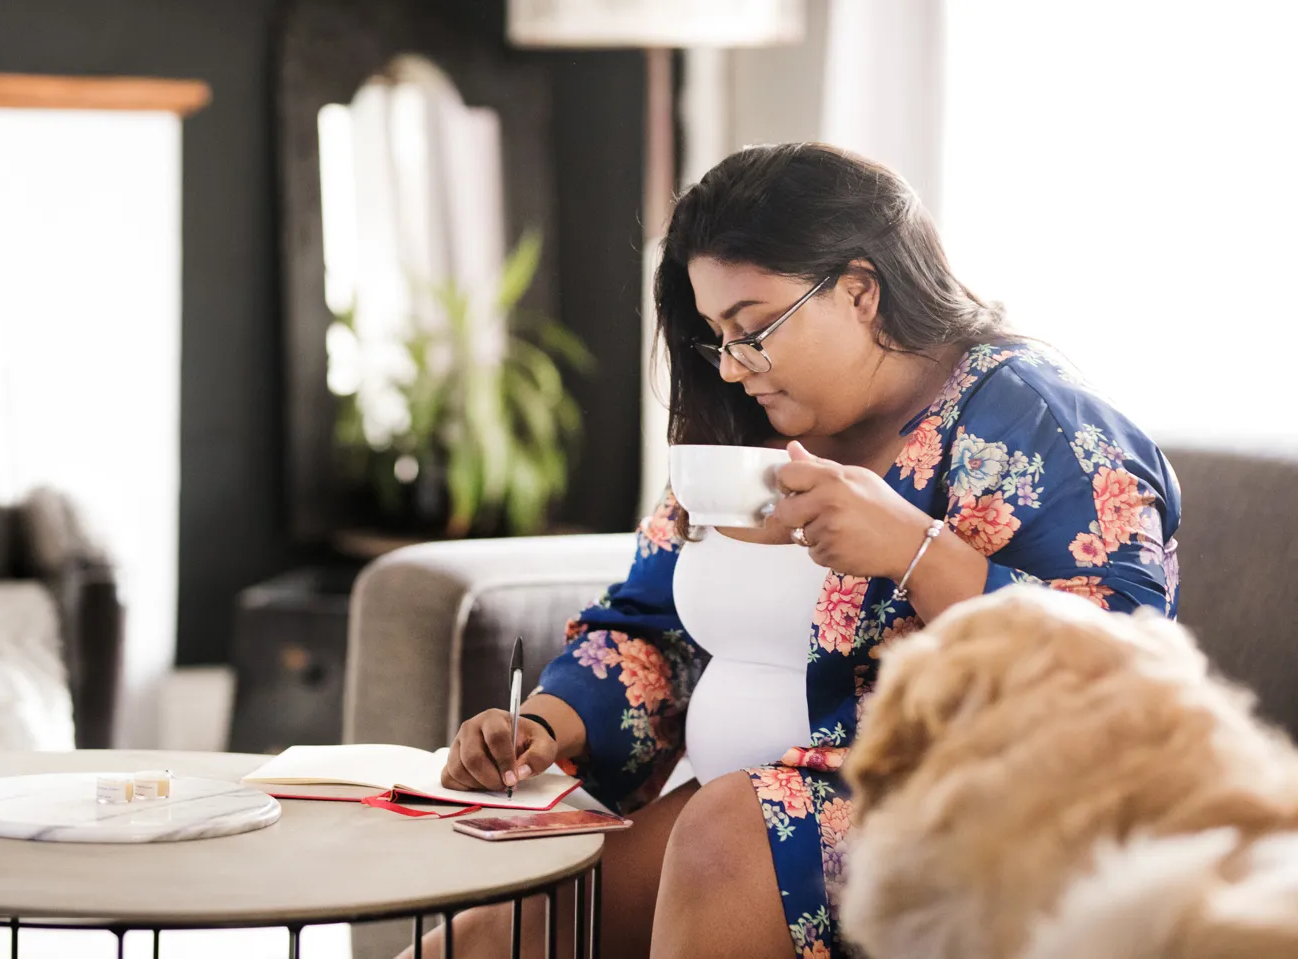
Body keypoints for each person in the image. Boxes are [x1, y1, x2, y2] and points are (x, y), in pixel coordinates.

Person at [422, 143, 1181, 959]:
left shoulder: (1040, 426)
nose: (735, 366)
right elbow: (652, 629)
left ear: (860, 289)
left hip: (968, 820)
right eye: (717, 336)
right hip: (739, 809)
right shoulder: (744, 435)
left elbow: (1122, 678)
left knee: (724, 830)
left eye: (755, 329)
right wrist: (545, 724)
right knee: (494, 932)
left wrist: (912, 549)